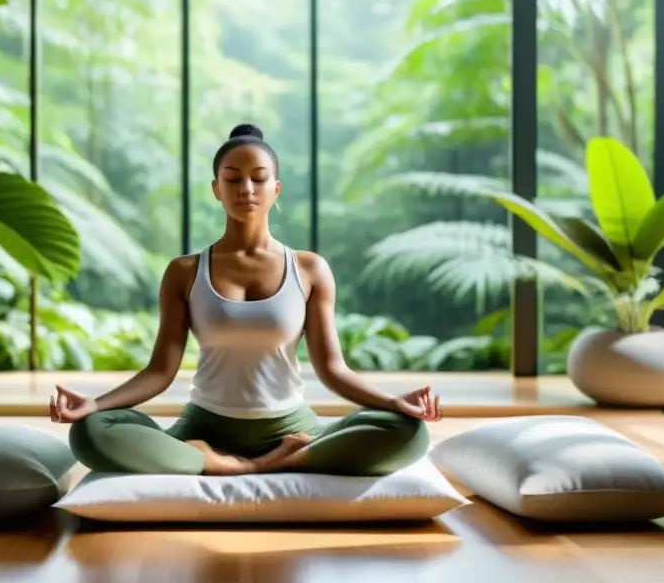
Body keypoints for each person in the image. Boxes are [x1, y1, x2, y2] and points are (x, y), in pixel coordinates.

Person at [49, 123, 441, 477]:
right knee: (90, 433)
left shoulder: (309, 269)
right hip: (204, 426)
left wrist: (393, 401)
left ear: (276, 188)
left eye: (259, 178)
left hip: (291, 427)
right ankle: (224, 460)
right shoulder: (184, 271)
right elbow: (160, 371)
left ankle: (281, 457)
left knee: (407, 431)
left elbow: (333, 369)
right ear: (216, 188)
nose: (246, 190)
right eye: (233, 179)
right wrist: (93, 405)